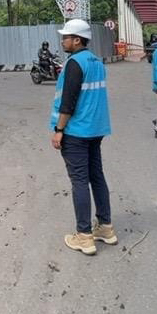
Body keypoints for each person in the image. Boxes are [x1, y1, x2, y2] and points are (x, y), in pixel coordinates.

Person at [50, 19, 115, 255]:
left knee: (79, 181)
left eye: (66, 37)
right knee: (96, 176)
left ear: (77, 40)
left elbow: (68, 101)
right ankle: (105, 228)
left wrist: (59, 130)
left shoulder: (74, 64)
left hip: (76, 131)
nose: (63, 40)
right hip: (95, 130)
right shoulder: (97, 62)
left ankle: (84, 236)